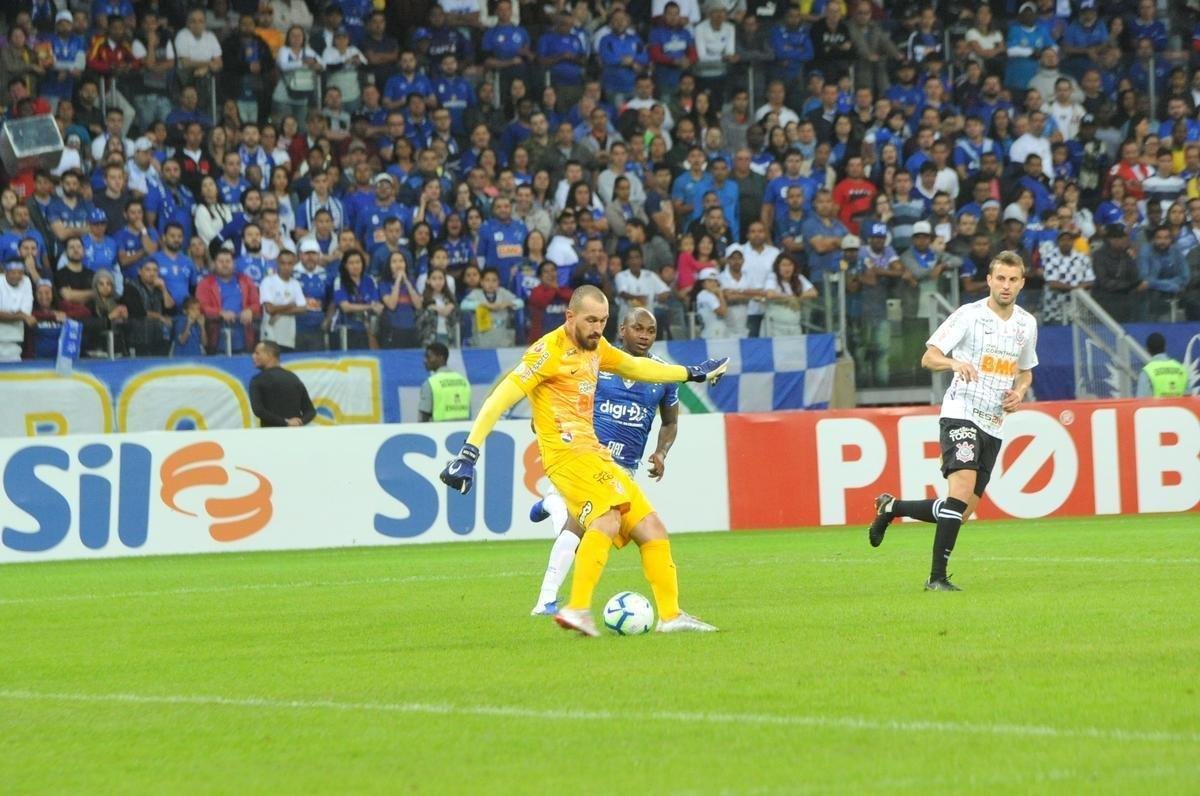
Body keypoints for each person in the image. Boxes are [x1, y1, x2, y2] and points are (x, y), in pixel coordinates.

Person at [438, 285, 728, 636]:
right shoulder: (547, 352)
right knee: (605, 518)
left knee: (651, 528)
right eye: (591, 320)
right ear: (570, 316)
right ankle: (576, 609)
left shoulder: (597, 347)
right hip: (567, 457)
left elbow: (638, 368)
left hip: (595, 454)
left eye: (603, 321)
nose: (597, 328)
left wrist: (693, 372)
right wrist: (469, 452)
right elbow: (501, 397)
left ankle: (670, 615)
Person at [867, 251, 1039, 591]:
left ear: (1022, 282)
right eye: (1000, 278)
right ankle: (936, 579)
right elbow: (929, 356)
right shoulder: (968, 316)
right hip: (961, 412)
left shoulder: (1026, 324)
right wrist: (953, 364)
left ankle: (891, 507)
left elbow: (1026, 372)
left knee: (960, 510)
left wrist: (1019, 391)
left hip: (994, 422)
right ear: (989, 280)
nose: (1006, 286)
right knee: (959, 491)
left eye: (1013, 279)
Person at [527, 308, 680, 615]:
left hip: (625, 468)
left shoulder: (662, 375)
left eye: (650, 331)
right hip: (590, 459)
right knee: (581, 528)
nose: (644, 336)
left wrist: (661, 452)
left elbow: (670, 422)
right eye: (638, 329)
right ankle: (547, 601)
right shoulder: (592, 362)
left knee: (590, 534)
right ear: (621, 330)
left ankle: (552, 505)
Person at [249, 341, 316, 427]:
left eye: (257, 353)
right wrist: (300, 422)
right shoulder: (293, 378)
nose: (253, 356)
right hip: (295, 436)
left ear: (269, 355)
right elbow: (311, 411)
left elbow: (258, 410)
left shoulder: (257, 380)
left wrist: (286, 422)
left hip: (270, 435)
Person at [418, 342, 471, 422]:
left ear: (440, 358)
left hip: (438, 432)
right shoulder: (464, 382)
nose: (425, 361)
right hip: (462, 431)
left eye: (428, 357)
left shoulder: (431, 383)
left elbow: (423, 417)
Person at [1135, 332, 1189, 398]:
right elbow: (1189, 398)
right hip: (1179, 408)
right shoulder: (1181, 369)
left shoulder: (1147, 372)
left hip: (1157, 408)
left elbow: (1142, 401)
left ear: (1147, 349)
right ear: (1165, 347)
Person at [0, 260, 34, 362]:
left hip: (14, 341)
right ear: (6, 272)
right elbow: (25, 316)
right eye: (13, 272)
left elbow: (26, 312)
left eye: (20, 272)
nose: (17, 276)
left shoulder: (26, 281)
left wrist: (22, 316)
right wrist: (22, 316)